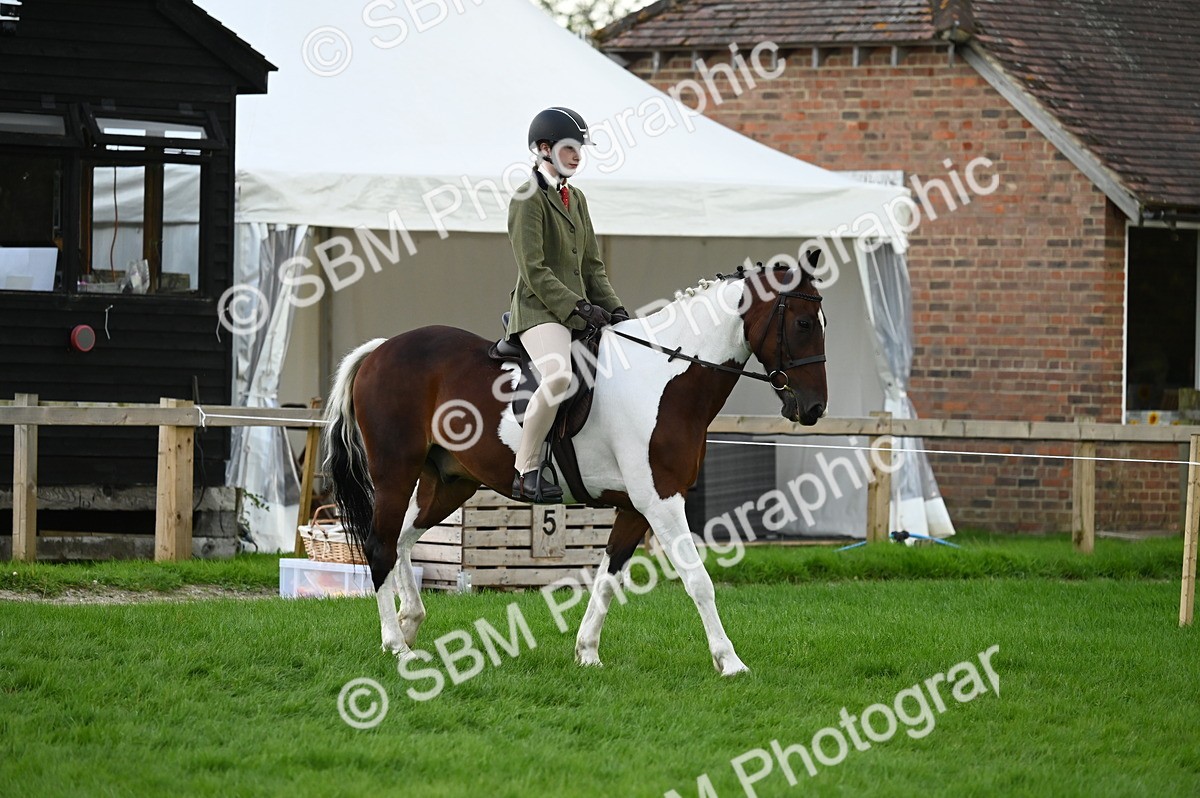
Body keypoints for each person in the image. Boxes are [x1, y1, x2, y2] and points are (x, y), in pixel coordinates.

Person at [506, 107, 628, 503]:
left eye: (580, 149)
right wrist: (577, 307)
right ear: (544, 149)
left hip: (579, 309)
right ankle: (525, 470)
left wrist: (617, 310)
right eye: (569, 148)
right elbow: (535, 271)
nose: (578, 156)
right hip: (540, 310)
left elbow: (593, 267)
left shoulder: (576, 198)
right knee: (558, 377)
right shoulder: (527, 198)